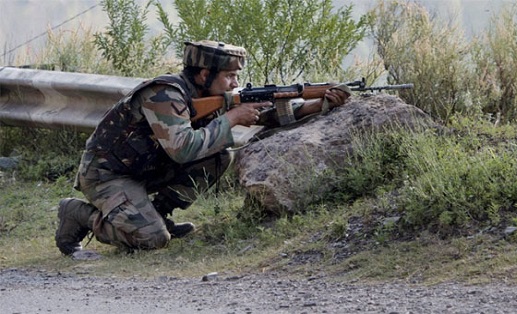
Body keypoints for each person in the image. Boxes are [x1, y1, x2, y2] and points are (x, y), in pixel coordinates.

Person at [55, 40, 350, 255]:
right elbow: (182, 149)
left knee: (219, 156)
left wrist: (316, 104)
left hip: (148, 168)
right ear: (202, 74)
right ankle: (79, 213)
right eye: (228, 76)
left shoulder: (213, 94)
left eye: (236, 76)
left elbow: (267, 115)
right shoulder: (163, 93)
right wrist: (233, 118)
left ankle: (159, 214)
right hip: (108, 174)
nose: (235, 82)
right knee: (152, 241)